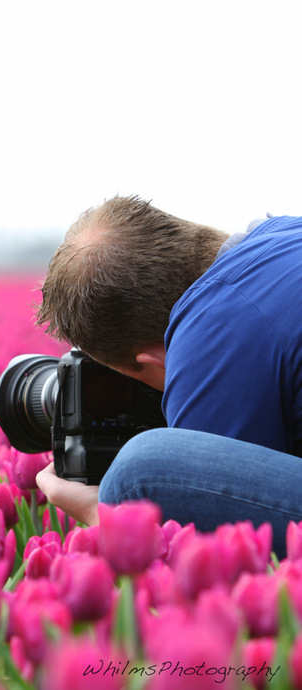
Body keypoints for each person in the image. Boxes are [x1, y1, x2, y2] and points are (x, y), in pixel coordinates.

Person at [35, 195, 302, 557]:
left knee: (141, 474)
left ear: (154, 359)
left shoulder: (211, 331)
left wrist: (102, 513)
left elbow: (224, 550)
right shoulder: (286, 233)